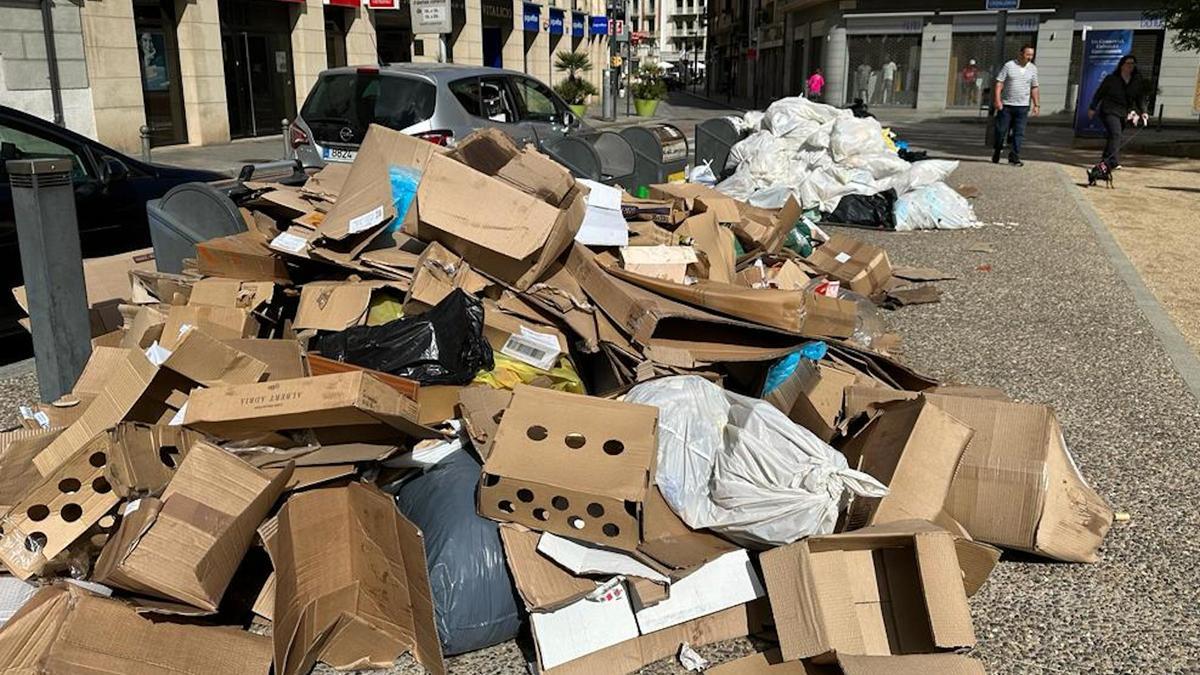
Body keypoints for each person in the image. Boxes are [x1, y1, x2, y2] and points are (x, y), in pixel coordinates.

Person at [1087, 54, 1149, 171]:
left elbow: (1140, 98)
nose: (1130, 66)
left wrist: (1143, 111)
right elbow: (1099, 94)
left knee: (1114, 137)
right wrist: (1092, 107)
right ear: (1122, 65)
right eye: (1128, 63)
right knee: (1116, 134)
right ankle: (1111, 162)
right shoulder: (1111, 79)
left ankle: (1106, 161)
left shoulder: (1136, 81)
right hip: (1109, 110)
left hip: (1123, 113)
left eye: (1132, 64)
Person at [992, 44, 1039, 166]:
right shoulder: (1009, 65)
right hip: (1006, 105)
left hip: (1022, 107)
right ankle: (997, 149)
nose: (1029, 57)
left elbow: (1034, 87)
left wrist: (1036, 104)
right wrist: (997, 100)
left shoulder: (1033, 69)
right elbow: (999, 83)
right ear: (1020, 53)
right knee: (1001, 131)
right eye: (1027, 54)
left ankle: (1014, 156)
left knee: (1019, 133)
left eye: (1032, 55)